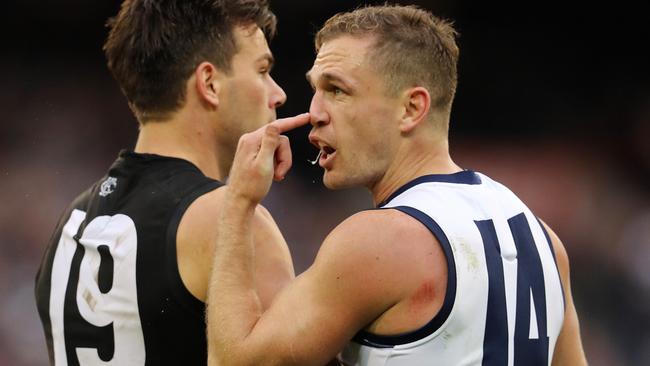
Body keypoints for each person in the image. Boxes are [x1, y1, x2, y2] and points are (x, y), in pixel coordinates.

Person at [207, 4, 588, 366]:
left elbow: (233, 361)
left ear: (411, 109)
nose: (315, 113)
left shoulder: (381, 240)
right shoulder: (545, 243)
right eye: (315, 90)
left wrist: (239, 201)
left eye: (337, 90)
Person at [34, 0, 309, 364]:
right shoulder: (228, 219)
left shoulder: (72, 223)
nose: (278, 93)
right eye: (262, 70)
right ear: (209, 83)